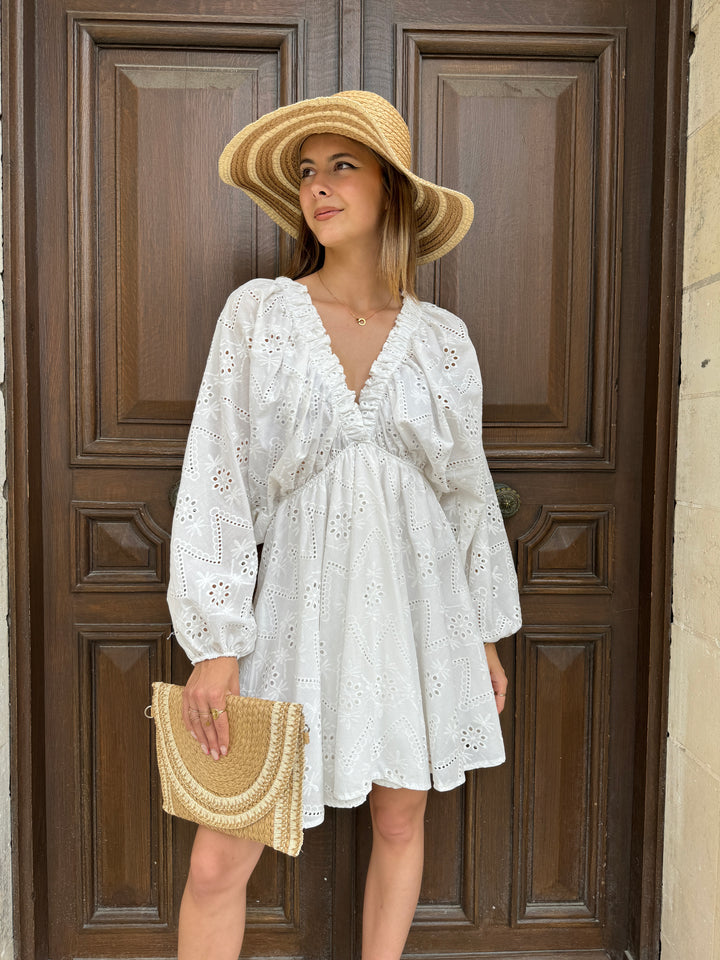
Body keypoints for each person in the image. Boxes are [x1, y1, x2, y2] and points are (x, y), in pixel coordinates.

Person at [167, 89, 522, 960]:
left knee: (400, 821)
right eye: (305, 172)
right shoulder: (259, 317)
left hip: (417, 612)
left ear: (391, 192)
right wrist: (216, 641)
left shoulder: (443, 341)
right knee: (220, 856)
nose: (317, 187)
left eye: (341, 166)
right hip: (286, 611)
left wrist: (480, 629)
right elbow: (216, 471)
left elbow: (465, 492)